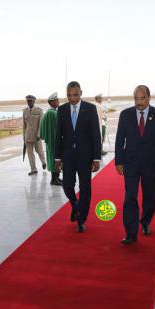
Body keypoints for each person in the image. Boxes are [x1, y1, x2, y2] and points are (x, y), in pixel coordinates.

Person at [115, 85, 155, 244]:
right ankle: (130, 232)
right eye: (136, 98)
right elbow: (120, 140)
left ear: (149, 98)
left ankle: (145, 222)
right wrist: (118, 161)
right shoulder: (125, 115)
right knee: (130, 198)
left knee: (149, 197)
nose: (139, 102)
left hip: (150, 163)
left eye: (142, 98)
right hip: (131, 163)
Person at [54, 81, 101, 233]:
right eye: (69, 95)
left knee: (85, 188)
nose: (72, 98)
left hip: (85, 156)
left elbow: (95, 134)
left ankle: (81, 219)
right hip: (67, 156)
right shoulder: (61, 110)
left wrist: (96, 158)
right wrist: (57, 157)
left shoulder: (90, 108)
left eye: (75, 95)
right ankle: (75, 204)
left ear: (81, 93)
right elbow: (58, 135)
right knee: (67, 185)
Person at [39, 92, 62, 186]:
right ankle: (53, 179)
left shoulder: (53, 112)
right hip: (53, 142)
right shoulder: (51, 113)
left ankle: (57, 177)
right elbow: (53, 129)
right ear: (52, 102)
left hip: (55, 141)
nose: (58, 102)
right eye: (57, 100)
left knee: (57, 159)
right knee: (54, 160)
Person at [23, 95, 46, 176]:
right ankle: (33, 169)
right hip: (28, 136)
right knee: (30, 153)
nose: (29, 102)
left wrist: (39, 134)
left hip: (37, 136)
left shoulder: (39, 111)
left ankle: (43, 162)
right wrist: (24, 136)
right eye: (28, 101)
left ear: (34, 101)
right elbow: (24, 125)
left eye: (30, 101)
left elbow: (41, 124)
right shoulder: (25, 111)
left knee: (39, 151)